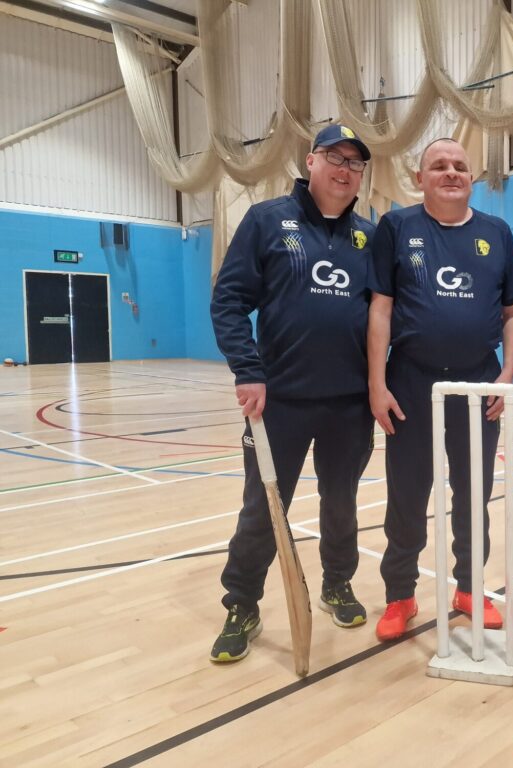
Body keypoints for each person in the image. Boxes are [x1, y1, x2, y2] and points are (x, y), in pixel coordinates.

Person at [208, 124, 377, 663]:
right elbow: (229, 300)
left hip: (349, 404)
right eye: (335, 157)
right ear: (311, 161)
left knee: (342, 501)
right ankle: (242, 604)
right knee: (262, 507)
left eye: (355, 162)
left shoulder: (370, 237)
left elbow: (385, 316)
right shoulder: (267, 221)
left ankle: (337, 584)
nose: (344, 169)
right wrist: (248, 369)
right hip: (278, 401)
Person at [367, 137, 513, 641]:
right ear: (420, 178)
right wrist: (377, 383)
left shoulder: (497, 233)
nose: (451, 173)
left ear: (472, 178)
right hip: (411, 381)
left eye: (460, 166)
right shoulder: (397, 227)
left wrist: (506, 374)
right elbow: (381, 310)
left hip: (478, 381)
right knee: (407, 496)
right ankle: (400, 595)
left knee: (472, 494)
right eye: (438, 166)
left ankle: (469, 588)